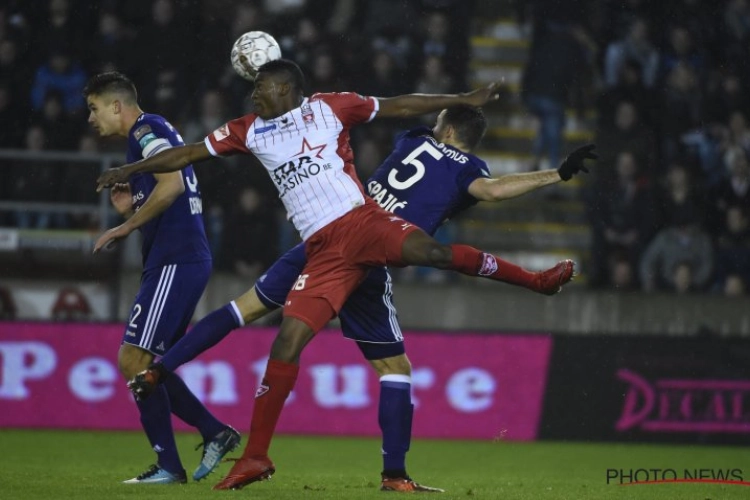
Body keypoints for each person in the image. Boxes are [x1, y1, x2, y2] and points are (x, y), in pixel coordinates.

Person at [95, 60, 589, 491]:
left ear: (285, 89)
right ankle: (255, 454)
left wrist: (462, 99)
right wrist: (131, 168)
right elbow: (186, 155)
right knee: (288, 341)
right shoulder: (249, 129)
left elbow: (398, 104)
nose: (253, 95)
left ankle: (536, 282)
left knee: (430, 256)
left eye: (260, 88)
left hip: (364, 222)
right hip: (324, 250)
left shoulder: (331, 107)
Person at [84, 72, 240, 484]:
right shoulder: (154, 134)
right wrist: (131, 207)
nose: (90, 118)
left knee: (133, 360)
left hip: (176, 259)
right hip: (179, 258)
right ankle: (213, 432)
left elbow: (171, 185)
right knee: (150, 365)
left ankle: (171, 464)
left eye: (94, 108)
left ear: (116, 106)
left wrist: (125, 227)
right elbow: (166, 188)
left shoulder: (145, 128)